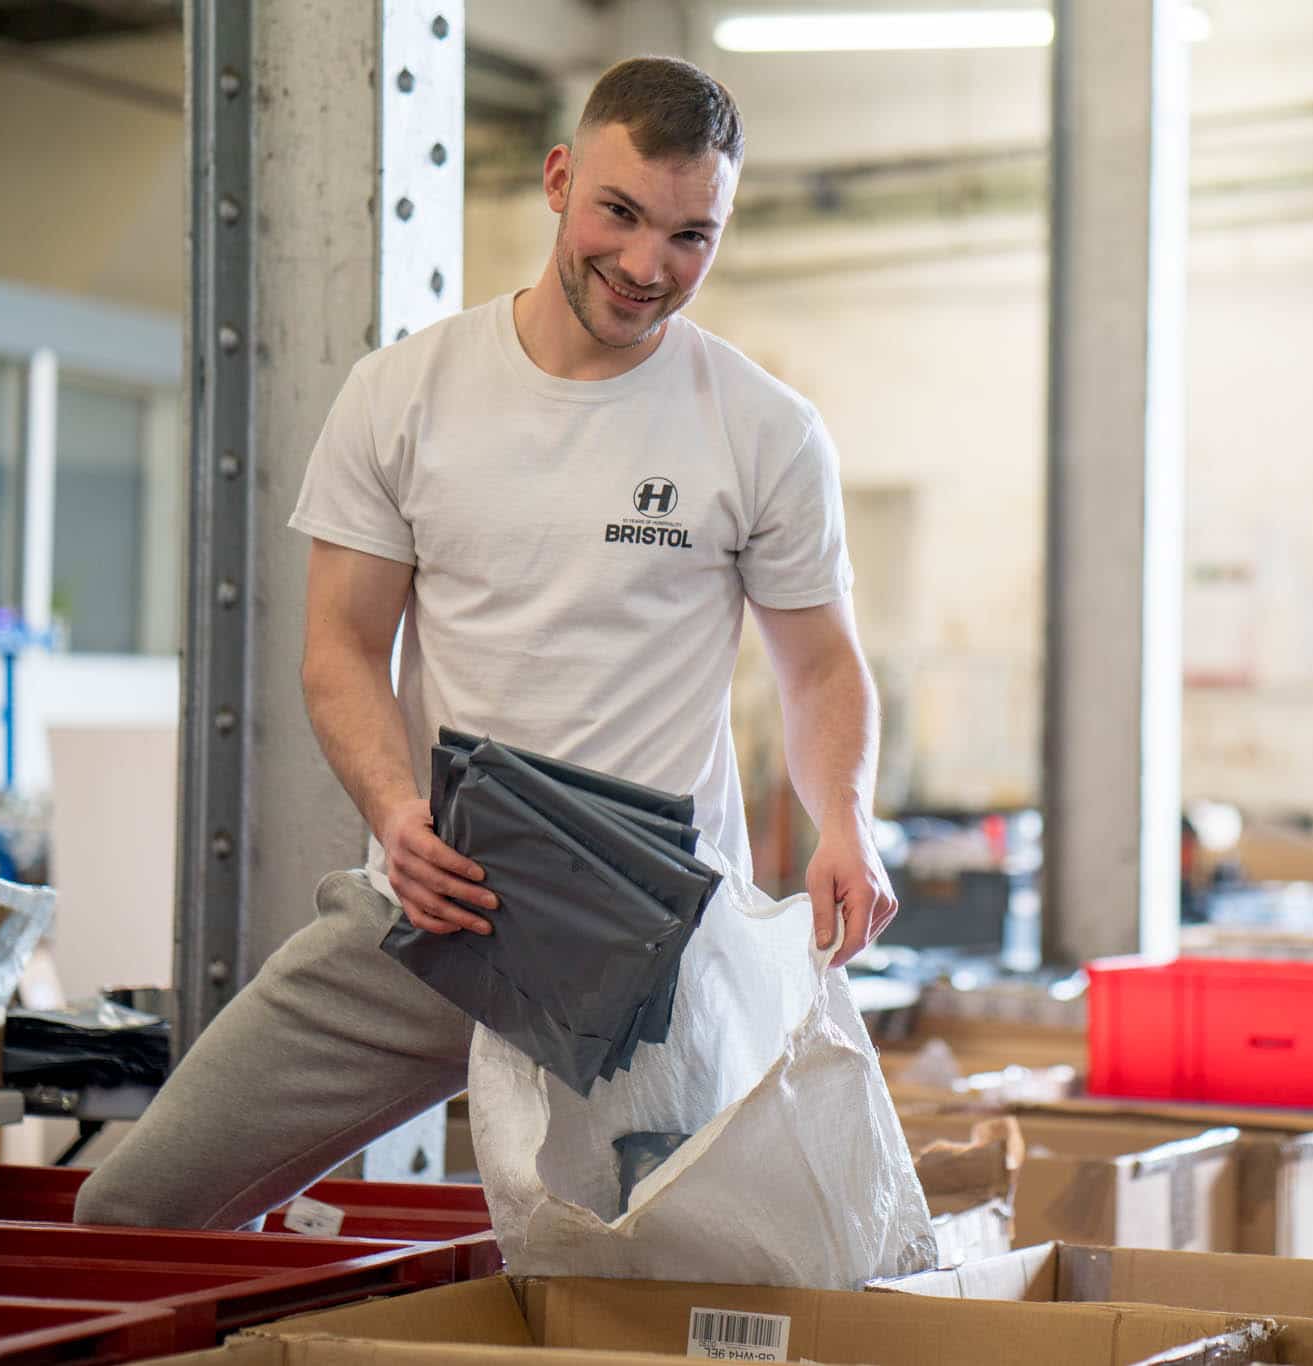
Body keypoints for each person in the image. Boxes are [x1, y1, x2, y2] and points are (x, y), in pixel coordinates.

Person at [75, 55, 897, 1229]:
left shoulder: (763, 430)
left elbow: (818, 664)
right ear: (559, 180)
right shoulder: (405, 393)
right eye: (619, 213)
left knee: (662, 1293)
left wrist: (845, 819)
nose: (647, 265)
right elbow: (342, 647)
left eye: (689, 236)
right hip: (426, 918)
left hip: (649, 967)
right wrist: (396, 817)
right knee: (135, 1215)